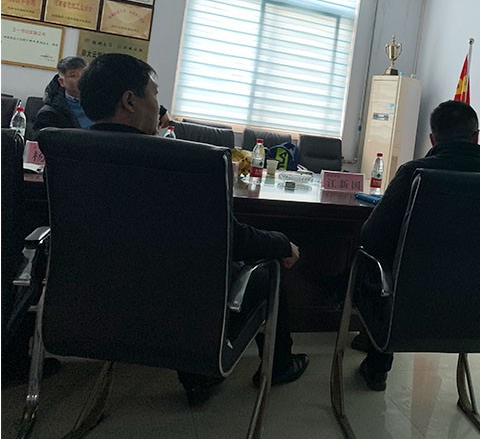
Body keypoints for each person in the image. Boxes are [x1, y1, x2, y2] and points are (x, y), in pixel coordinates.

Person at [77, 53, 308, 404]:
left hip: (88, 312)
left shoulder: (67, 152)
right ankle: (268, 367)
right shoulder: (175, 163)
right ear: (130, 101)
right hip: (171, 316)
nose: (159, 108)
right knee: (264, 273)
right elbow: (227, 236)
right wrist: (280, 243)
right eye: (154, 95)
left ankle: (200, 377)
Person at [355, 99, 480, 391]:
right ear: (476, 137)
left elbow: (372, 237)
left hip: (410, 304)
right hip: (479, 309)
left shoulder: (414, 172)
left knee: (378, 268)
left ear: (432, 139)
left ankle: (377, 366)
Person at [33, 55, 172, 139]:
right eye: (155, 95)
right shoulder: (162, 160)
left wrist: (161, 111)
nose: (80, 80)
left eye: (83, 74)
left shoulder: (73, 153)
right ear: (129, 101)